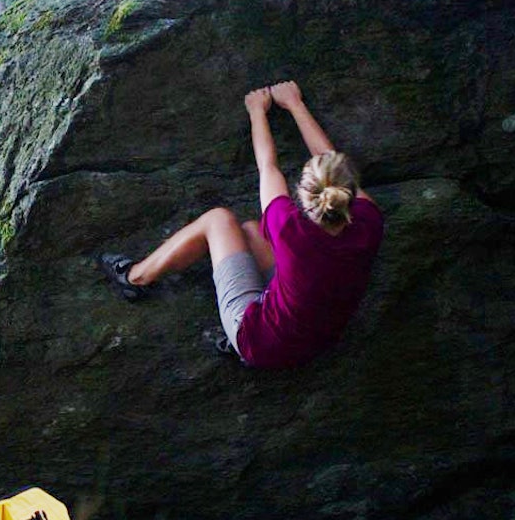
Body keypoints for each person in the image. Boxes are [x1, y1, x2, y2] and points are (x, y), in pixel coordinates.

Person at [100, 81, 384, 369]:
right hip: (318, 341)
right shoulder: (369, 221)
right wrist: (296, 105)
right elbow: (333, 166)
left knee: (218, 220)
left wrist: (257, 111)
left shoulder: (289, 230)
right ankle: (258, 324)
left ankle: (134, 278)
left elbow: (268, 166)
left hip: (261, 344)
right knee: (250, 232)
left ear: (302, 191)